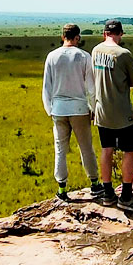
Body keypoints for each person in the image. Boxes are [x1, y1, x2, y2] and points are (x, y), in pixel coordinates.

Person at [42, 23, 100, 202]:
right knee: (86, 147)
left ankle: (62, 187)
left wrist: (49, 109)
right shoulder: (84, 56)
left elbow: (47, 86)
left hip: (58, 109)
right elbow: (90, 87)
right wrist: (94, 108)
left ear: (62, 37)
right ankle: (95, 184)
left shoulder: (52, 56)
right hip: (79, 108)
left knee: (60, 149)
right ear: (77, 38)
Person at [91, 19, 133, 209]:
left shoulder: (95, 51)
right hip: (122, 111)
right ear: (120, 34)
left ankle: (108, 193)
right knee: (130, 150)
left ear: (104, 34)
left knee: (107, 149)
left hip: (101, 111)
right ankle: (126, 196)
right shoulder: (123, 54)